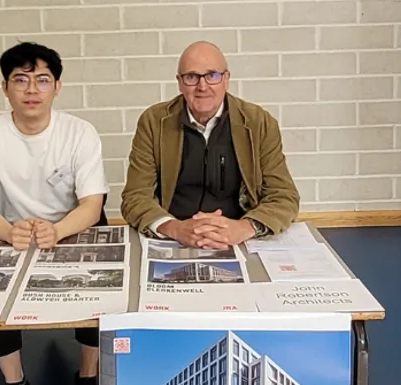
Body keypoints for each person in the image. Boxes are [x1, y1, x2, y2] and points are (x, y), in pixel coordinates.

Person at [0, 41, 108, 385]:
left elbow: (92, 204)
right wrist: (9, 231)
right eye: (20, 80)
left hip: (70, 228)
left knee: (99, 282)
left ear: (57, 87)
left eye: (42, 80)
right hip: (10, 232)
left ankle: (88, 378)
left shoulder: (80, 132)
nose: (31, 89)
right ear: (5, 87)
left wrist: (58, 230)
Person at [120, 41, 299, 246]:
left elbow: (284, 197)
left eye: (212, 75)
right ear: (179, 82)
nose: (202, 86)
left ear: (226, 79)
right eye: (191, 77)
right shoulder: (153, 122)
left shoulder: (259, 123)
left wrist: (243, 228)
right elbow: (135, 197)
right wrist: (175, 228)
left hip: (239, 238)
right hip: (174, 238)